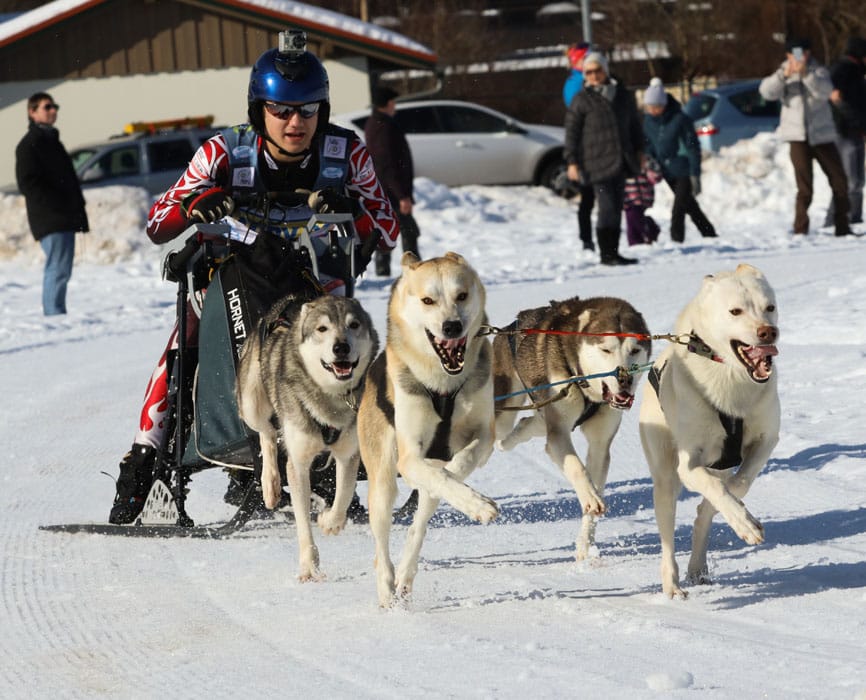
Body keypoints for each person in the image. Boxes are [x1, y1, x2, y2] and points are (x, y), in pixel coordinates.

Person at [108, 32, 399, 525]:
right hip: (234, 273)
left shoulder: (345, 153)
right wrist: (196, 205)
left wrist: (352, 210)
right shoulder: (224, 151)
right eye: (281, 110)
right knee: (186, 344)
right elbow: (158, 223)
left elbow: (387, 226)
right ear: (258, 109)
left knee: (348, 349)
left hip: (315, 284)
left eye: (308, 110)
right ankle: (144, 460)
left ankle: (344, 458)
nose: (295, 123)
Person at [759, 37, 850, 237]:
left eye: (805, 52)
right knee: (804, 188)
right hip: (797, 137)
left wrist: (806, 74)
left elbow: (825, 91)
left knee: (839, 181)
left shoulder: (818, 71)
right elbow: (766, 92)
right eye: (797, 53)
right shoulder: (782, 73)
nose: (801, 57)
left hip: (822, 135)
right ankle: (800, 230)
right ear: (788, 55)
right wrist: (784, 75)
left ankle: (843, 227)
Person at [564, 51, 644, 265]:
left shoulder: (622, 95)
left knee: (616, 206)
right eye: (588, 72)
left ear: (605, 70)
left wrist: (640, 150)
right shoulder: (581, 100)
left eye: (597, 70)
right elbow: (571, 133)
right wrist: (572, 161)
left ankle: (613, 252)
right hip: (594, 162)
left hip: (620, 159)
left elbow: (635, 125)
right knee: (607, 207)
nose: (593, 75)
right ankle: (606, 254)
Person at [15, 92, 89, 316]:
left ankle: (56, 311)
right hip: (51, 217)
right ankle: (54, 315)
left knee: (63, 268)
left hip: (64, 216)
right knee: (57, 268)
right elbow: (27, 183)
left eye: (54, 106)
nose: (53, 111)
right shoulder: (30, 144)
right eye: (47, 107)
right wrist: (55, 204)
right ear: (32, 112)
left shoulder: (52, 141)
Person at [642, 77, 717, 242]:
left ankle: (677, 240)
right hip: (666, 171)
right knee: (690, 205)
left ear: (664, 104)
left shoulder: (680, 119)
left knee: (678, 209)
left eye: (657, 107)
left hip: (684, 170)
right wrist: (649, 160)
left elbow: (692, 146)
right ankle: (710, 234)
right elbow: (648, 144)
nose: (653, 110)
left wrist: (695, 173)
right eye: (650, 107)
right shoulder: (648, 122)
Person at [363, 86, 420, 277]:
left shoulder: (379, 123)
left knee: (396, 230)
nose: (395, 106)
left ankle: (392, 271)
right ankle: (409, 272)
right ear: (387, 104)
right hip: (390, 192)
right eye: (393, 102)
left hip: (388, 191)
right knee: (404, 231)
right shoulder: (382, 126)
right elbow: (386, 164)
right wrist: (402, 195)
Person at [824, 37, 866, 226]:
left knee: (855, 181)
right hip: (844, 131)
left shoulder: (856, 71)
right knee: (851, 181)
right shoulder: (844, 70)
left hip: (854, 131)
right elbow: (834, 97)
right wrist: (855, 120)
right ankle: (839, 220)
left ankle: (852, 218)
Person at [563, 42, 596, 251]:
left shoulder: (585, 79)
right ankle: (587, 239)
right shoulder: (576, 84)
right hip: (586, 147)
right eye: (586, 58)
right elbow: (577, 119)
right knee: (589, 196)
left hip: (595, 144)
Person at [623, 158, 661, 246]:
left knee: (635, 218)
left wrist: (651, 168)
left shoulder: (645, 160)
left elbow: (656, 178)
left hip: (642, 197)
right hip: (627, 197)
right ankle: (635, 243)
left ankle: (650, 233)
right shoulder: (622, 160)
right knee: (631, 221)